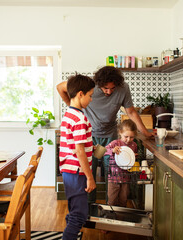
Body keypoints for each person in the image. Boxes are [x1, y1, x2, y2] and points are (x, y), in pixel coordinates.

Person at [57, 66, 153, 205]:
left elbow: (131, 112)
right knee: (89, 173)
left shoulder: (123, 88)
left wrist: (146, 133)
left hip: (110, 137)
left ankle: (111, 209)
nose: (109, 92)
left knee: (113, 175)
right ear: (98, 84)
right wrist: (76, 110)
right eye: (105, 88)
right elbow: (60, 87)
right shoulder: (89, 86)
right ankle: (89, 208)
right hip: (90, 137)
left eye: (112, 88)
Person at [59, 74, 97, 240]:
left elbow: (76, 144)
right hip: (77, 172)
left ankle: (71, 235)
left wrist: (90, 146)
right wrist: (90, 177)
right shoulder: (80, 118)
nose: (91, 100)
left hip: (69, 170)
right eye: (90, 96)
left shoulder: (70, 113)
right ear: (80, 94)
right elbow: (79, 151)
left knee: (75, 209)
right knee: (80, 214)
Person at [105, 119, 138, 207]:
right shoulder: (116, 143)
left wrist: (134, 156)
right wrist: (112, 150)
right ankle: (111, 217)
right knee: (112, 200)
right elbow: (104, 151)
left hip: (126, 178)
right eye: (126, 136)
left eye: (131, 137)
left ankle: (120, 217)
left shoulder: (134, 145)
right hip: (113, 178)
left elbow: (134, 160)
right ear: (120, 132)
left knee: (123, 200)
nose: (128, 140)